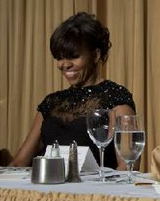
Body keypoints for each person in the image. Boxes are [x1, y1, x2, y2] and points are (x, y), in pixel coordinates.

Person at [9, 12, 136, 169]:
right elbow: (19, 163)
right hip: (46, 191)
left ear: (95, 55)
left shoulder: (116, 98)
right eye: (59, 57)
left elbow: (127, 167)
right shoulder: (51, 103)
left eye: (73, 56)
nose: (64, 64)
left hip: (95, 192)